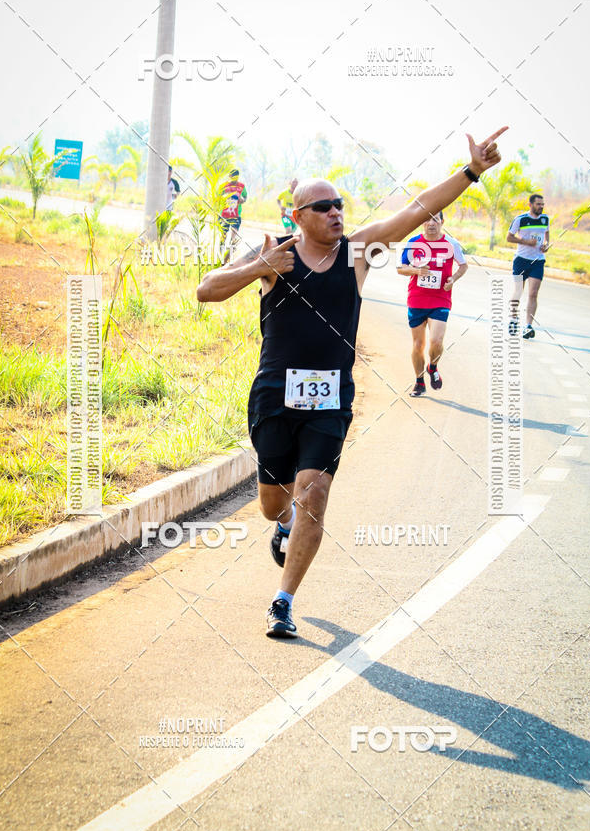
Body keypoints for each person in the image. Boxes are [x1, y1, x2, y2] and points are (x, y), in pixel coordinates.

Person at [197, 128, 506, 638]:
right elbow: (206, 289)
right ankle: (282, 522)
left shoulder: (357, 252)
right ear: (297, 217)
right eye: (322, 207)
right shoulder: (275, 253)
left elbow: (413, 210)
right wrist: (259, 267)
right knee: (275, 502)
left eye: (339, 204)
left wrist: (471, 172)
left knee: (314, 496)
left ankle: (282, 602)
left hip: (331, 399)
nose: (336, 213)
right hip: (275, 395)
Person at [398, 211, 468, 397]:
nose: (431, 223)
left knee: (436, 341)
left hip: (440, 299)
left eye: (435, 219)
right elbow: (401, 268)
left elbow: (463, 265)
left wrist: (453, 278)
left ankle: (433, 366)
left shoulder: (451, 244)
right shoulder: (414, 242)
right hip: (417, 299)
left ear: (442, 222)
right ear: (422, 222)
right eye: (427, 219)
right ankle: (419, 382)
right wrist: (416, 270)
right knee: (418, 345)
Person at [507, 194, 550, 339]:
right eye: (538, 204)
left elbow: (546, 234)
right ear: (530, 205)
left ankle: (528, 326)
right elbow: (509, 237)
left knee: (533, 293)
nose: (541, 206)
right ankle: (513, 320)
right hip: (521, 260)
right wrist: (526, 242)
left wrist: (546, 245)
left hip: (538, 261)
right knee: (518, 291)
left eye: (542, 204)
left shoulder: (545, 219)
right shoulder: (520, 219)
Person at [220, 169, 248, 249]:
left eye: (236, 177)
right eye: (232, 177)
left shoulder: (242, 186)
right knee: (223, 236)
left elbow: (245, 197)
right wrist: (225, 198)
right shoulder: (224, 186)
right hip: (224, 215)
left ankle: (229, 255)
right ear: (229, 176)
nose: (234, 179)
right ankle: (221, 254)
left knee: (233, 237)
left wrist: (241, 200)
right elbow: (217, 198)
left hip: (236, 214)